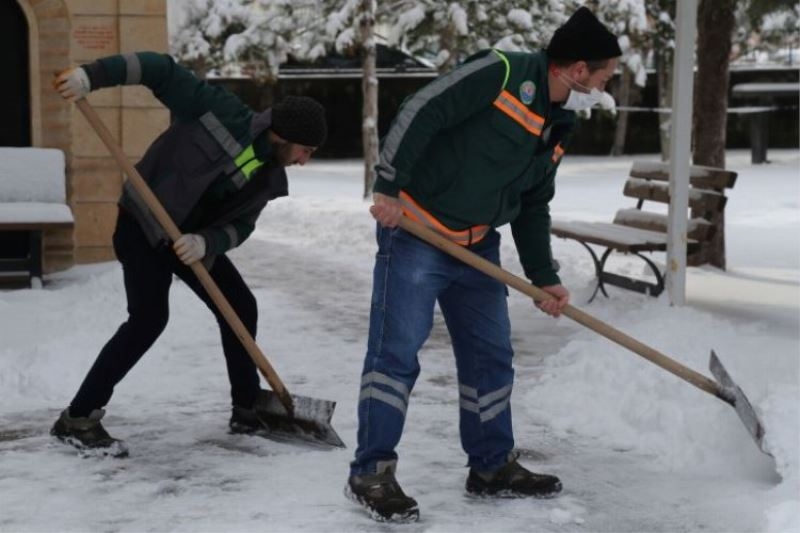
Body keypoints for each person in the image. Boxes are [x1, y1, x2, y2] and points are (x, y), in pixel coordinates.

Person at [345, 7, 622, 523]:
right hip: (418, 233)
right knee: (396, 354)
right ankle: (372, 471)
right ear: (580, 68)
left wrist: (544, 277)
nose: (609, 80)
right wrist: (387, 183)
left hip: (477, 248)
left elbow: (534, 201)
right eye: (606, 70)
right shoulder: (501, 72)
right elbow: (422, 108)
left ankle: (492, 466)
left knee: (492, 358)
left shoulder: (560, 121)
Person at [50, 52, 327, 457]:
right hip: (143, 224)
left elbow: (241, 226)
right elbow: (161, 70)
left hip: (188, 242)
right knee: (148, 320)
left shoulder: (270, 178)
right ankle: (77, 417)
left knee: (240, 305)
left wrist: (207, 243)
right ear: (284, 135)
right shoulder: (219, 111)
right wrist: (91, 77)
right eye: (306, 150)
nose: (305, 160)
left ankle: (247, 408)